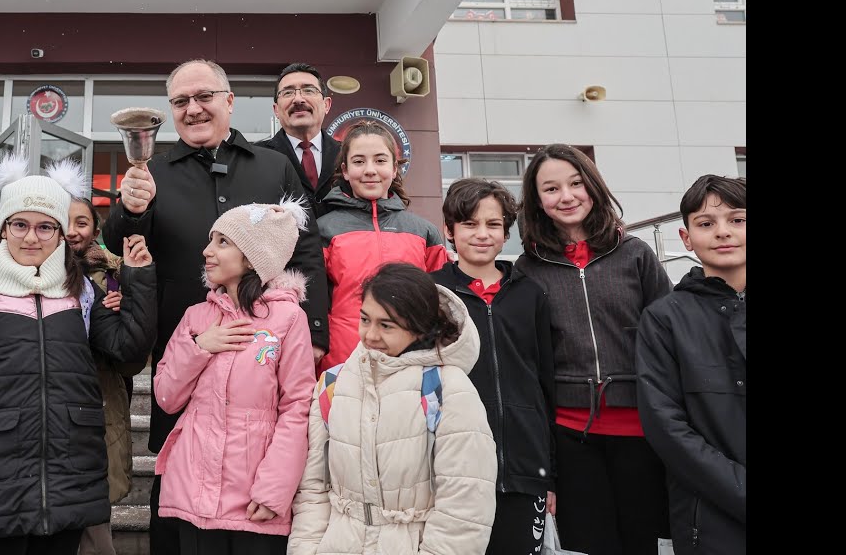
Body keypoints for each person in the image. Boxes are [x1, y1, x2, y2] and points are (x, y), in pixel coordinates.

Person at [102, 59, 330, 555]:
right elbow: (121, 247)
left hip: (264, 352)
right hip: (186, 347)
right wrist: (129, 210)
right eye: (181, 101)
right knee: (180, 481)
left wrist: (313, 333)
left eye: (204, 96)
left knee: (261, 468)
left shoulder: (275, 166)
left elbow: (307, 249)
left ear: (229, 101)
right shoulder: (153, 172)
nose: (193, 108)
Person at [0, 155, 157, 555]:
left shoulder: (84, 293)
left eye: (45, 227)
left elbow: (128, 349)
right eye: (20, 224)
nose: (31, 237)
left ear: (60, 234)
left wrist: (138, 279)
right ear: (4, 229)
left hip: (70, 478)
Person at [513, 143, 673, 555]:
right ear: (537, 201)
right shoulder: (528, 269)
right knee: (587, 544)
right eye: (551, 189)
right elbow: (529, 359)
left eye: (576, 183)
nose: (566, 196)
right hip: (569, 433)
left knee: (640, 542)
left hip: (640, 429)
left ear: (594, 187)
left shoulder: (635, 254)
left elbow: (666, 336)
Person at [288, 262, 497, 555]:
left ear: (419, 327)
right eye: (365, 319)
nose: (370, 335)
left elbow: (465, 508)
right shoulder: (333, 384)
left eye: (386, 325)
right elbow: (313, 492)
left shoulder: (448, 390)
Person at [153, 198, 316, 555]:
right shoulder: (196, 317)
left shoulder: (288, 320)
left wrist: (275, 489)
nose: (207, 251)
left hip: (255, 498)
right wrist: (200, 347)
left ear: (254, 256)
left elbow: (297, 407)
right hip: (192, 492)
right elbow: (166, 396)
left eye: (222, 242)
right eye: (211, 241)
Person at [432, 178, 556, 555]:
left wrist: (549, 473)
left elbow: (544, 382)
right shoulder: (433, 295)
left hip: (524, 468)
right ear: (449, 230)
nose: (482, 234)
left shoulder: (531, 294)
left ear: (506, 232)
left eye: (493, 224)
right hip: (455, 469)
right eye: (470, 224)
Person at [636, 175, 746, 555]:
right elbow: (666, 426)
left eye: (737, 220)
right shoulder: (664, 318)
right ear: (686, 238)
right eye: (706, 224)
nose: (723, 233)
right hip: (710, 520)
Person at [316, 120, 449, 373]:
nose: (369, 170)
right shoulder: (323, 230)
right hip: (342, 362)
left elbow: (439, 299)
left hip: (410, 361)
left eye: (380, 160)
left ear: (395, 168)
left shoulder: (424, 232)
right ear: (344, 170)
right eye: (358, 161)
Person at [67, 195, 146, 555]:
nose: (72, 232)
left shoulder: (114, 279)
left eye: (81, 223)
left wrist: (122, 313)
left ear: (96, 231)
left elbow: (130, 358)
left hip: (98, 403)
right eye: (64, 221)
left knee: (94, 526)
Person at [255, 63, 342, 217]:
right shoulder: (256, 158)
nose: (298, 99)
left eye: (308, 90)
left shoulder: (347, 154)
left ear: (326, 105)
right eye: (288, 93)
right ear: (276, 110)